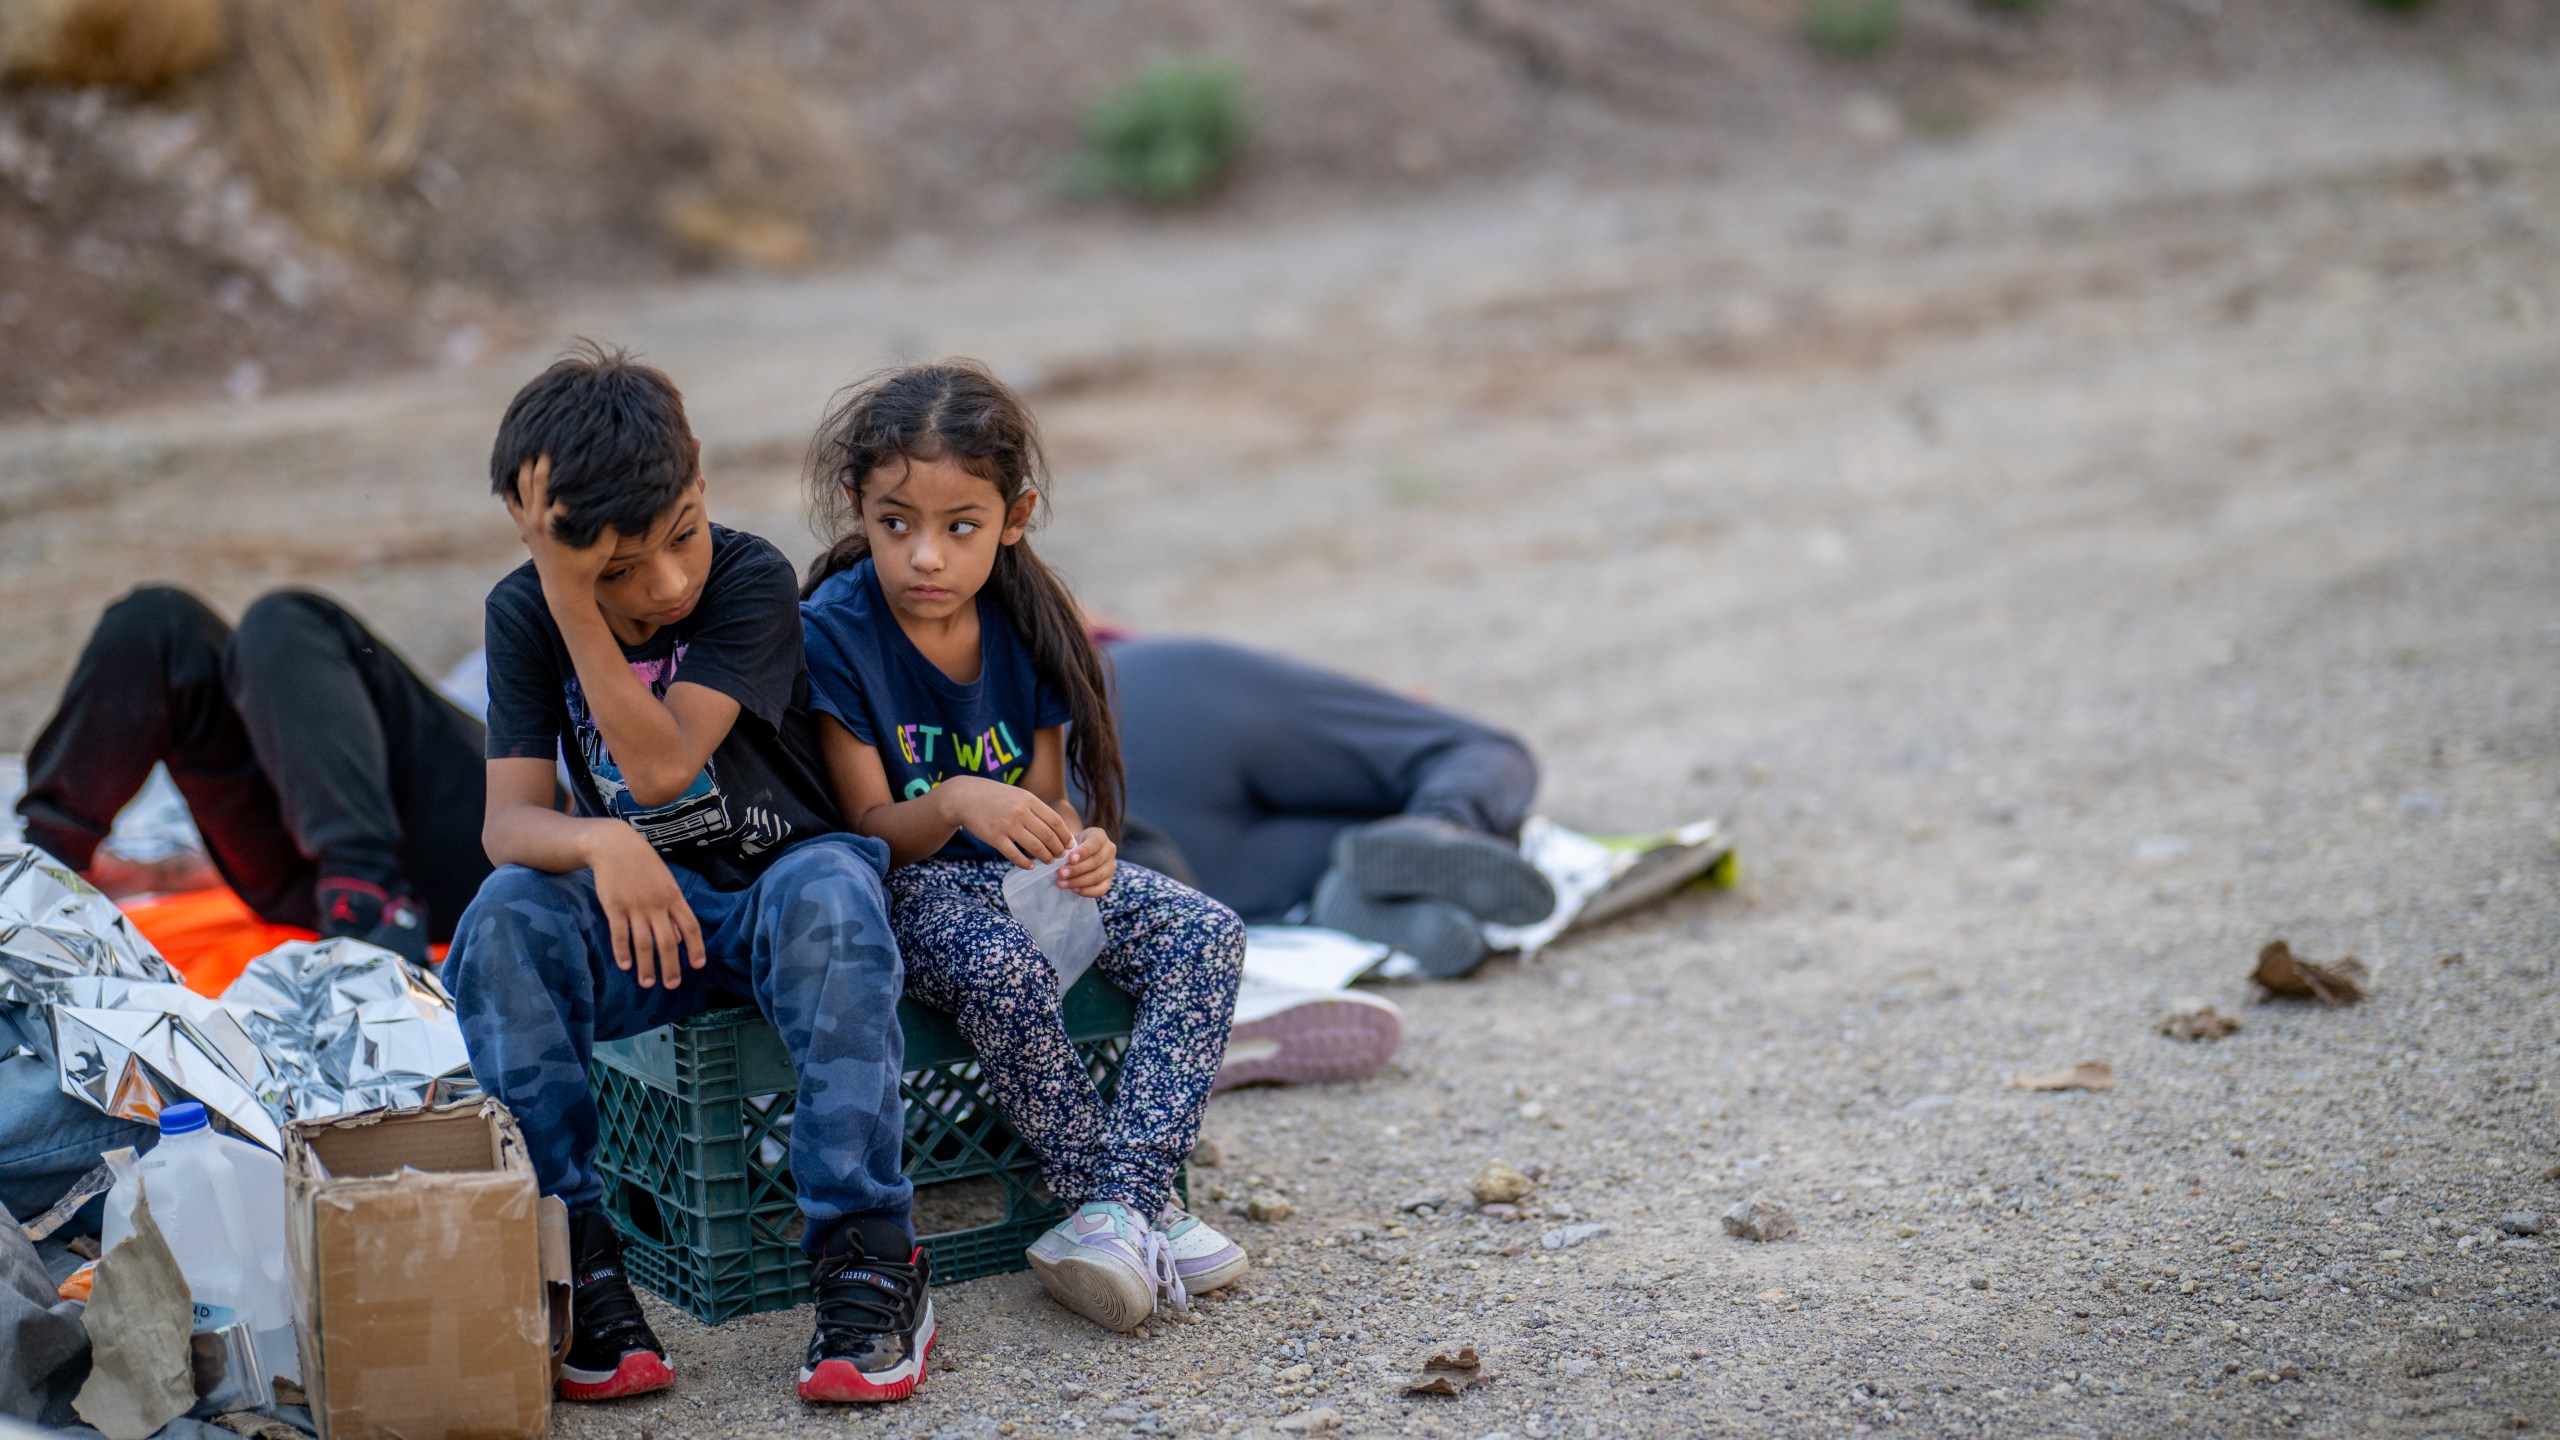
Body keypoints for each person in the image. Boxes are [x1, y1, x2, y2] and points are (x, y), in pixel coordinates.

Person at [443, 345, 925, 1406]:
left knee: (835, 890)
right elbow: (509, 821)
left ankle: (867, 1251)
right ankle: (578, 1261)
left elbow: (662, 768)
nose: (663, 586)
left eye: (679, 538)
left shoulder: (747, 579)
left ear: (700, 478)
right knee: (505, 918)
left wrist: (580, 598)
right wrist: (598, 842)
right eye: (613, 572)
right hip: (643, 928)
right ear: (555, 554)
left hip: (777, 900)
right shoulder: (525, 611)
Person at [797, 361, 1248, 1334]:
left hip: (1017, 878)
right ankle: (1131, 1208)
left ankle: (1115, 1206)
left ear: (1014, 515)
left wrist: (1077, 846)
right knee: (1002, 971)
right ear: (855, 508)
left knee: (1203, 934)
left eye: (959, 526)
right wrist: (958, 798)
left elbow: (1042, 797)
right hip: (911, 891)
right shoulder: (833, 634)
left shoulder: (1026, 623)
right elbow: (869, 831)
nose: (925, 556)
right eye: (895, 524)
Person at [12, 587, 490, 963]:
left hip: (486, 859)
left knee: (284, 623)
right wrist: (156, 875)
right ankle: (36, 882)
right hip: (313, 883)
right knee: (158, 622)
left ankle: (367, 907)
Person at [1106, 636, 1556, 978]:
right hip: (1142, 697)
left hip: (1144, 854)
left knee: (1351, 853)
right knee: (1474, 751)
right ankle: (1440, 822)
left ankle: (1338, 896)